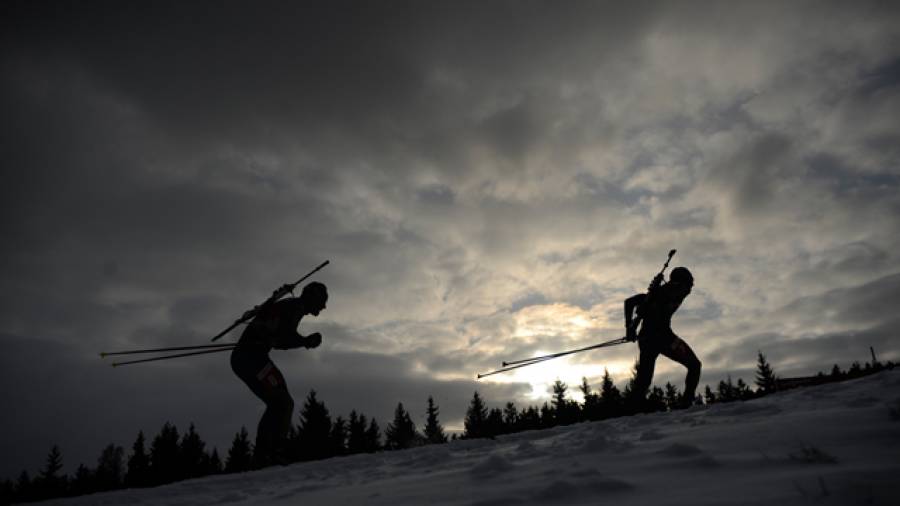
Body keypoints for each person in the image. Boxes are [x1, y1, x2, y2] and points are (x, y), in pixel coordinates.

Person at [230, 281, 327, 467]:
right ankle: (273, 452)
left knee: (279, 402)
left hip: (250, 357)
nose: (324, 307)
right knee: (283, 402)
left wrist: (302, 341)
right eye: (322, 301)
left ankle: (266, 452)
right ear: (313, 298)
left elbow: (279, 338)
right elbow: (284, 338)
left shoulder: (290, 306)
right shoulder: (295, 307)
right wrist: (306, 341)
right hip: (251, 358)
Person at [624, 266, 701, 410]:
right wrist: (629, 326)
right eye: (688, 285)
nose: (689, 290)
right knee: (694, 365)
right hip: (660, 338)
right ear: (678, 283)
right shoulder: (662, 292)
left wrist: (630, 327)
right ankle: (686, 404)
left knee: (644, 380)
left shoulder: (670, 292)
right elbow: (630, 302)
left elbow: (631, 303)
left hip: (652, 338)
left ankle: (632, 411)